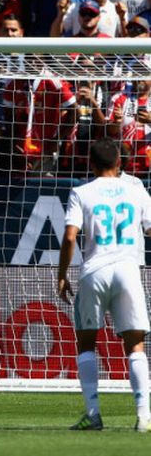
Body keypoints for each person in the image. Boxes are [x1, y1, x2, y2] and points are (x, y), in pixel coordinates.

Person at [58, 137, 151, 432]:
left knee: (87, 343)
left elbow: (70, 236)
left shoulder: (81, 192)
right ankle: (144, 416)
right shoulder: (137, 190)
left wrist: (61, 274)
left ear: (91, 164)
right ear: (120, 163)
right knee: (135, 344)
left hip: (94, 271)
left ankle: (94, 413)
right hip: (128, 269)